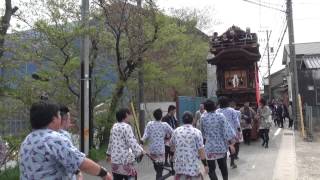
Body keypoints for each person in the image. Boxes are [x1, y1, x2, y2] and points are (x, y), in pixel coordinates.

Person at [19, 101, 112, 180]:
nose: (61, 118)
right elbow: (81, 162)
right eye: (59, 114)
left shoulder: (27, 140)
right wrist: (104, 173)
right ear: (53, 119)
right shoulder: (55, 139)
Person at [201, 99, 236, 180]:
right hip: (221, 147)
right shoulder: (220, 116)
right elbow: (227, 130)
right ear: (215, 107)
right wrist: (231, 143)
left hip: (209, 148)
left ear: (205, 108)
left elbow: (202, 133)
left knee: (211, 169)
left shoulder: (203, 117)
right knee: (223, 167)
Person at [106, 108, 144, 180]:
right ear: (125, 115)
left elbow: (110, 142)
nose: (129, 116)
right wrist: (140, 152)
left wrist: (108, 154)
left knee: (117, 178)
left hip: (115, 161)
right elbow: (132, 143)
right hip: (125, 160)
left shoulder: (114, 126)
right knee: (132, 176)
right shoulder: (127, 127)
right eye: (129, 114)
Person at [170, 111, 208, 180]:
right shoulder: (197, 132)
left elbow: (172, 146)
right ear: (193, 120)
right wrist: (205, 165)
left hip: (179, 168)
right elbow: (201, 150)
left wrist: (171, 157)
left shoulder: (176, 131)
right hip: (193, 168)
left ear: (182, 120)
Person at [141, 108, 173, 180]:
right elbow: (173, 133)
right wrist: (169, 139)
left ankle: (159, 177)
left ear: (154, 116)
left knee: (157, 168)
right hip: (160, 151)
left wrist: (141, 142)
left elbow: (145, 135)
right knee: (159, 171)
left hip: (152, 150)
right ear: (161, 116)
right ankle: (160, 177)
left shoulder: (149, 124)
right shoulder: (164, 125)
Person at [216, 97, 240, 169]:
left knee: (223, 148)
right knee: (232, 147)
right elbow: (236, 121)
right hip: (231, 132)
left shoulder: (217, 111)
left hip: (220, 133)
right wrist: (238, 130)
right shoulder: (232, 110)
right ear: (227, 103)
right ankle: (232, 162)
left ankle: (223, 163)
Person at [59, 105, 82, 180]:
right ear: (65, 119)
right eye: (69, 119)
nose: (70, 121)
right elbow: (74, 159)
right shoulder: (64, 135)